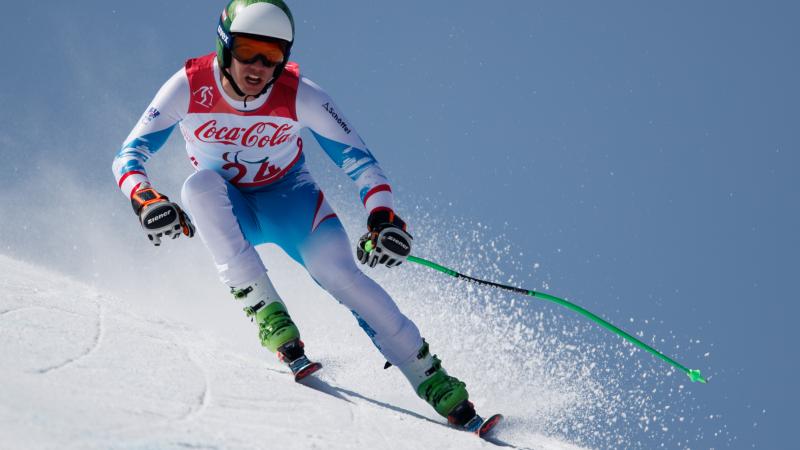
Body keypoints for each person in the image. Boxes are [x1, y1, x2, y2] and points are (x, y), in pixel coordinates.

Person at [113, 0, 483, 429]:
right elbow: (128, 155)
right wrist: (145, 198)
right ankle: (271, 318)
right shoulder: (188, 86)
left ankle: (434, 381)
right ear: (223, 47)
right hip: (230, 208)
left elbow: (361, 163)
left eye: (271, 56)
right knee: (197, 187)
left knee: (342, 277)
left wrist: (382, 217)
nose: (257, 66)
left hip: (292, 202)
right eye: (248, 49)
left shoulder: (302, 94)